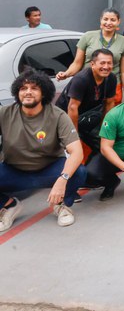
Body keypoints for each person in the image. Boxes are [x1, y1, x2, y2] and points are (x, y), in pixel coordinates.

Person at [0, 70, 86, 232]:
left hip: (49, 169)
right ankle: (8, 205)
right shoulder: (5, 113)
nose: (28, 92)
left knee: (79, 172)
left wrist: (62, 180)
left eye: (34, 88)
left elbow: (77, 152)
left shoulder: (57, 115)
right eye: (23, 88)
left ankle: (61, 205)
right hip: (14, 170)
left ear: (44, 92)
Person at [56, 8, 124, 104]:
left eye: (113, 20)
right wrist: (66, 74)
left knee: (110, 116)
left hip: (112, 86)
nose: (108, 22)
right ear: (101, 20)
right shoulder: (88, 36)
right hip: (88, 84)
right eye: (105, 19)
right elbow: (77, 63)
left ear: (118, 22)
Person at [55, 49, 117, 160]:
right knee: (71, 151)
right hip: (66, 117)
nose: (106, 66)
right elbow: (72, 108)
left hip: (89, 115)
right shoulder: (81, 79)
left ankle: (96, 173)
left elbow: (109, 103)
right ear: (92, 64)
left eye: (109, 63)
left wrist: (104, 128)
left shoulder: (111, 78)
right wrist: (74, 136)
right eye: (102, 63)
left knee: (105, 145)